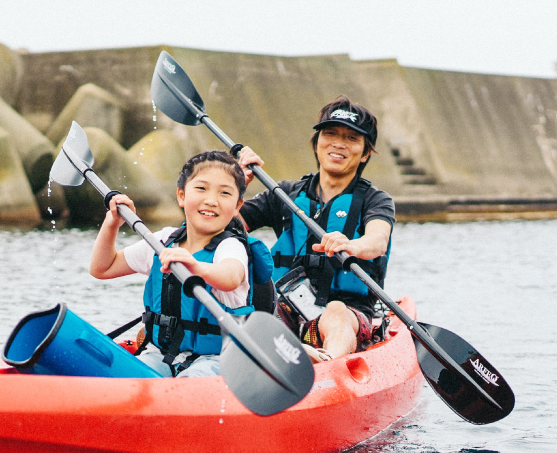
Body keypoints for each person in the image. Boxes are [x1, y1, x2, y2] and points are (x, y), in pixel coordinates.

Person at [237, 96, 395, 362]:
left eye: (352, 138)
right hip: (285, 307)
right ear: (317, 143)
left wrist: (351, 245)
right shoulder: (285, 194)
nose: (338, 144)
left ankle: (325, 363)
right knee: (247, 308)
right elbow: (221, 226)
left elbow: (377, 240)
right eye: (330, 134)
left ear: (366, 152)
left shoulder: (375, 200)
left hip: (348, 312)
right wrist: (236, 186)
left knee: (335, 311)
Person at [90, 150, 267, 378]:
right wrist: (113, 223)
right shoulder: (162, 241)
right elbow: (102, 268)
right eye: (201, 189)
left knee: (187, 382)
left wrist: (194, 266)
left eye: (224, 193)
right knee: (130, 379)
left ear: (237, 205)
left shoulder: (231, 247)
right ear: (181, 196)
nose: (211, 200)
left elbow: (230, 277)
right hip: (161, 354)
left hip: (218, 358)